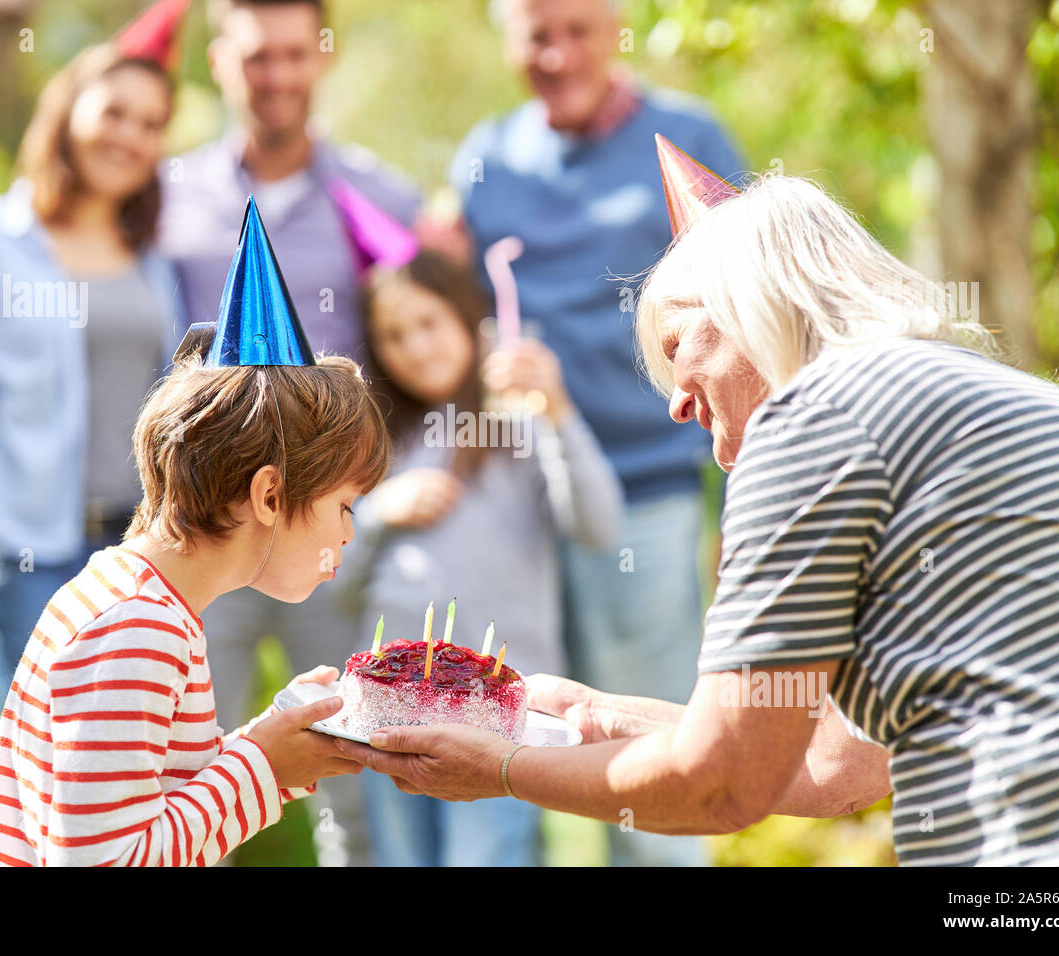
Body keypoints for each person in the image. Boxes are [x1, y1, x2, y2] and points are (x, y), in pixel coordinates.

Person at [336, 171, 1059, 867]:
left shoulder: (811, 419)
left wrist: (501, 770)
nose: (677, 402)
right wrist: (591, 713)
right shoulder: (1025, 407)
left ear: (753, 305)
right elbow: (837, 765)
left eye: (678, 344)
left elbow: (721, 784)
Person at [0, 197, 387, 866]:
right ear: (270, 493)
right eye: (344, 505)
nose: (350, 532)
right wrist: (263, 762)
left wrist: (271, 743)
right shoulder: (136, 626)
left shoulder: (140, 600)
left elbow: (152, 818)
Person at [449, 0, 747, 866]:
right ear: (508, 39)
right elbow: (456, 308)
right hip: (520, 499)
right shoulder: (486, 158)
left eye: (578, 30)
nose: (558, 53)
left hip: (645, 495)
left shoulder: (687, 137)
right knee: (508, 734)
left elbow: (750, 317)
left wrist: (746, 494)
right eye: (537, 34)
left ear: (615, 30)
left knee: (644, 754)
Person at [156, 0, 421, 866]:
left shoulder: (382, 199)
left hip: (326, 534)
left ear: (322, 58)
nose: (275, 74)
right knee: (185, 776)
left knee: (355, 762)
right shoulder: (165, 197)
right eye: (255, 55)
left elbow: (435, 344)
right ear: (218, 59)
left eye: (293, 54)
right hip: (210, 535)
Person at [0, 39, 187, 715]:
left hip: (134, 549)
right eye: (114, 112)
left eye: (150, 124)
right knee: (45, 771)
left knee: (119, 765)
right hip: (24, 548)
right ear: (68, 113)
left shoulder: (152, 256)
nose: (130, 137)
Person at [342, 247, 623, 866]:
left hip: (496, 710)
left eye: (428, 323)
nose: (415, 347)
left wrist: (559, 411)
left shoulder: (515, 426)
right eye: (393, 335)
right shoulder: (379, 445)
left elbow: (600, 524)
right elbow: (335, 581)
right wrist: (381, 511)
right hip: (388, 703)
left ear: (470, 320)